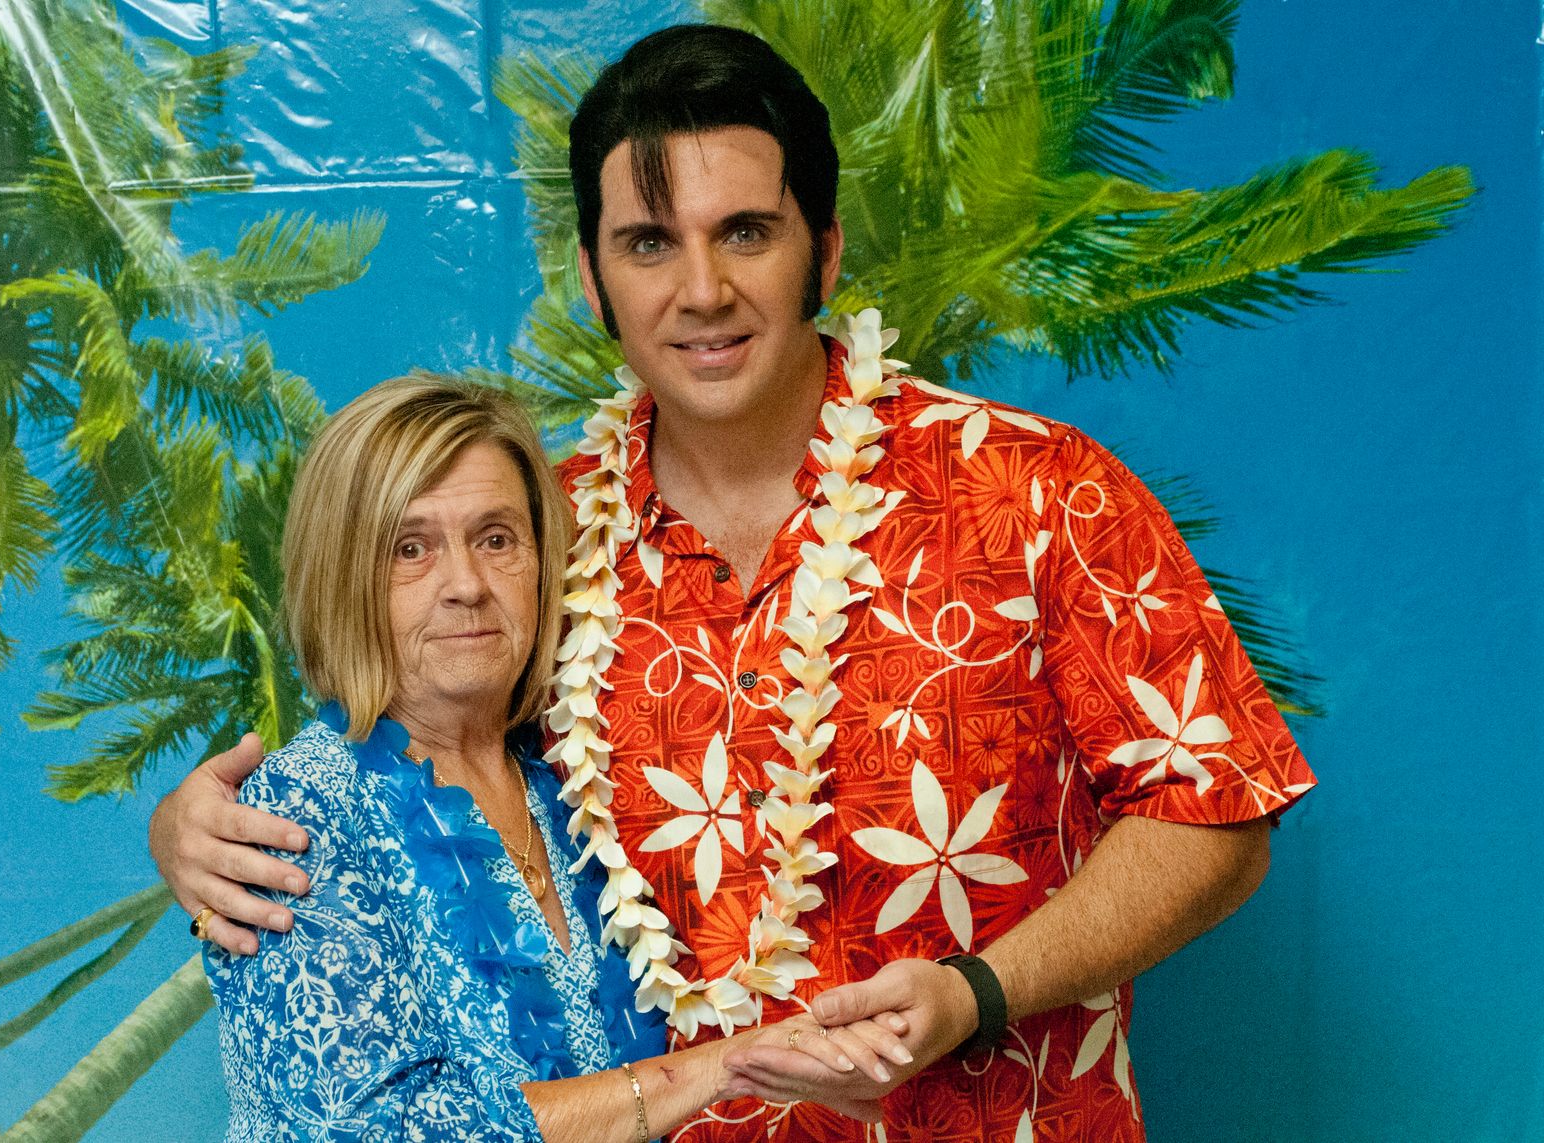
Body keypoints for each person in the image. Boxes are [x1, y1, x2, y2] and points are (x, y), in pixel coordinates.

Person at [153, 25, 1318, 1141]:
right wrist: (198, 832)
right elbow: (412, 762)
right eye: (649, 243)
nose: (701, 290)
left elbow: (1215, 811)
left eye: (746, 232)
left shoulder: (1035, 489)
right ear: (594, 279)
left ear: (825, 250)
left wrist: (979, 992)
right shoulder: (538, 536)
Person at [199, 374, 908, 1141]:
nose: (466, 585)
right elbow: (371, 1129)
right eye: (411, 547)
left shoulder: (573, 777)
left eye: (496, 539)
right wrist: (721, 1066)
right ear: (344, 580)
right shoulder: (293, 813)